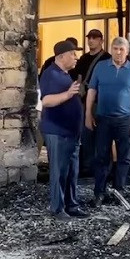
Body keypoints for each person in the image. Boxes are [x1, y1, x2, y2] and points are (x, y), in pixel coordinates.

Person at [85, 37, 130, 207]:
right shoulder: (101, 67)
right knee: (101, 157)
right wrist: (88, 114)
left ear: (127, 51)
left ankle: (119, 191)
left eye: (121, 49)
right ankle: (100, 193)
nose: (118, 52)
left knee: (124, 157)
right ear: (111, 49)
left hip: (124, 121)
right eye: (115, 48)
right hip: (103, 119)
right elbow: (91, 91)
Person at [39, 40, 90, 221]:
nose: (76, 57)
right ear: (61, 56)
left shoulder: (65, 74)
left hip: (71, 133)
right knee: (59, 171)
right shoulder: (50, 74)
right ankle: (57, 208)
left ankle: (71, 205)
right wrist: (68, 95)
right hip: (58, 131)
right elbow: (46, 101)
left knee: (71, 171)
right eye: (72, 54)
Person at [72, 29, 112, 177]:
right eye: (89, 38)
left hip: (102, 102)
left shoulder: (107, 58)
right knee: (87, 135)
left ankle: (103, 168)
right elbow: (79, 77)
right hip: (85, 101)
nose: (91, 41)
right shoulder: (83, 59)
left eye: (94, 38)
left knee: (102, 137)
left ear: (101, 40)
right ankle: (89, 167)